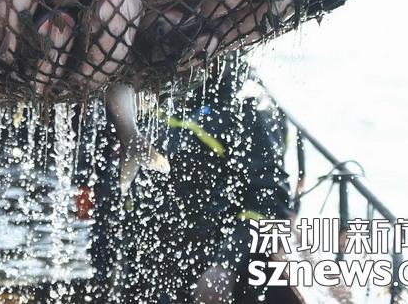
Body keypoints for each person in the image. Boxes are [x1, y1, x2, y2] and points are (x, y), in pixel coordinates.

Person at [86, 52, 291, 303]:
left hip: (202, 274)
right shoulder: (162, 82)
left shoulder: (251, 105)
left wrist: (224, 267)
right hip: (141, 263)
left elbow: (272, 207)